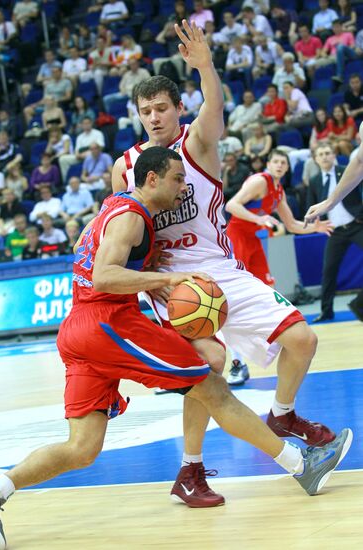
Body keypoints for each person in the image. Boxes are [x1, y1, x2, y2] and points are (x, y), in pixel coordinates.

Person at [0, 145, 353, 549]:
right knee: (213, 384)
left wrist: (151, 269)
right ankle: (301, 465)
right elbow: (105, 276)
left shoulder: (112, 206)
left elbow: (95, 260)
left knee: (82, 448)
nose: (183, 187)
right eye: (178, 179)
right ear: (152, 178)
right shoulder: (131, 215)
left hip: (76, 330)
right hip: (108, 322)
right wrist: (167, 280)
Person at [111, 20, 342, 505]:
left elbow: (214, 111)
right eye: (145, 111)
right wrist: (145, 279)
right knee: (207, 370)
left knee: (303, 338)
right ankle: (190, 471)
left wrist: (206, 67)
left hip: (219, 269)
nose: (153, 118)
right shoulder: (126, 165)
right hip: (170, 283)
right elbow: (120, 227)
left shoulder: (196, 144)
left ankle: (282, 413)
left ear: (178, 110)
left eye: (161, 109)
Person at [225, 149, 333, 286]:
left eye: (283, 163)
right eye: (275, 162)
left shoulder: (279, 192)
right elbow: (231, 205)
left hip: (254, 239)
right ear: (268, 165)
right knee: (239, 284)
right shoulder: (260, 181)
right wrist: (258, 219)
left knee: (267, 284)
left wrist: (315, 227)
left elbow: (292, 225)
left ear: (287, 168)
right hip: (237, 237)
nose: (279, 165)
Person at [305, 143, 363, 323]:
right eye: (320, 154)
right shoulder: (314, 181)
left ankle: (359, 303)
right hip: (335, 232)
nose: (324, 156)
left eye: (327, 152)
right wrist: (318, 224)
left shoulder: (348, 171)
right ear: (315, 159)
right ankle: (326, 311)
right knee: (328, 270)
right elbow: (310, 205)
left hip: (356, 225)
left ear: (334, 155)